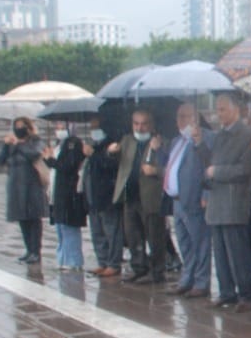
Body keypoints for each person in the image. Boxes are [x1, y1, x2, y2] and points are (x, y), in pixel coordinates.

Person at [206, 93, 251, 311]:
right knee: (220, 252)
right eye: (217, 110)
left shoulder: (247, 135)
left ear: (235, 110)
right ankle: (226, 292)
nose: (219, 115)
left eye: (223, 110)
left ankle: (246, 294)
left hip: (234, 200)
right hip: (217, 200)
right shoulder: (219, 136)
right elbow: (210, 163)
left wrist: (217, 172)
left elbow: (245, 170)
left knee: (237, 252)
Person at [111, 108, 167, 284]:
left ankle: (158, 271)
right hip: (130, 195)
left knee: (155, 235)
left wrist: (156, 169)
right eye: (136, 123)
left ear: (151, 124)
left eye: (144, 124)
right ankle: (139, 267)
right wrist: (112, 153)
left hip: (150, 198)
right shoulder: (127, 141)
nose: (140, 128)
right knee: (133, 234)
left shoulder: (160, 142)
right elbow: (117, 164)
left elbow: (169, 168)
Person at [164, 101, 213, 299]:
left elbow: (209, 165)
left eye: (185, 117)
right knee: (184, 243)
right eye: (178, 117)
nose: (180, 121)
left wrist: (206, 194)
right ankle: (187, 279)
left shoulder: (204, 139)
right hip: (177, 200)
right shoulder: (177, 141)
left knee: (200, 242)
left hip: (194, 198)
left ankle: (201, 282)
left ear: (196, 119)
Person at [0, 116, 47, 264]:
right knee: (22, 218)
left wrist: (19, 145)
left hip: (32, 184)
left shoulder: (35, 141)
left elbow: (34, 154)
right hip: (15, 185)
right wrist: (6, 146)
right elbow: (0, 160)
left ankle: (36, 251)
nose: (19, 129)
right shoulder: (11, 145)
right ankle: (28, 250)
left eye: (22, 126)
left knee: (34, 219)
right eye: (16, 126)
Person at [81, 116, 122, 277]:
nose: (93, 131)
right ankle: (102, 261)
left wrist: (93, 155)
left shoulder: (112, 145)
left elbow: (109, 165)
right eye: (91, 127)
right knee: (97, 231)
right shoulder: (94, 145)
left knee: (111, 231)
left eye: (96, 127)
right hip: (93, 197)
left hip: (107, 197)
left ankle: (113, 263)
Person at [46, 123, 89, 272]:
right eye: (56, 127)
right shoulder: (59, 145)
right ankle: (63, 258)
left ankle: (73, 261)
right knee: (60, 228)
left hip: (70, 193)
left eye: (61, 126)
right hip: (57, 192)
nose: (59, 130)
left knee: (69, 228)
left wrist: (50, 160)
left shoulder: (74, 143)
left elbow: (68, 166)